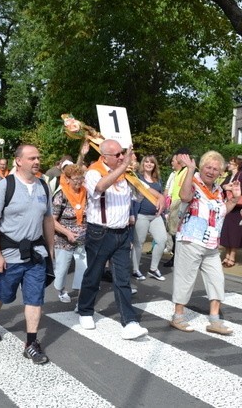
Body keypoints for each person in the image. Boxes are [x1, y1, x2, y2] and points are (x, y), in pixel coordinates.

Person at [78, 139, 164, 340]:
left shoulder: (127, 175)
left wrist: (158, 196)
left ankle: (130, 321)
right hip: (100, 232)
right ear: (104, 156)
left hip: (122, 232)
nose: (121, 157)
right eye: (117, 155)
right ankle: (85, 310)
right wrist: (123, 166)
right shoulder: (94, 171)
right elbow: (99, 187)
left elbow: (144, 189)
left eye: (122, 154)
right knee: (94, 274)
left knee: (123, 278)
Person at [0, 144, 54, 364]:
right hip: (9, 253)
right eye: (32, 158)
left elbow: (48, 219)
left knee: (34, 298)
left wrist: (50, 250)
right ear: (19, 161)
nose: (37, 161)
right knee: (1, 295)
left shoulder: (43, 186)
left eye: (38, 157)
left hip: (35, 254)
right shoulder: (6, 186)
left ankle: (31, 343)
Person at [170, 151, 241, 335]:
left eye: (215, 169)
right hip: (190, 239)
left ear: (220, 173)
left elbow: (221, 212)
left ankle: (214, 320)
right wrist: (189, 170)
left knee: (217, 280)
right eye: (208, 167)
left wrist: (234, 199)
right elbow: (185, 196)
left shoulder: (218, 190)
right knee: (185, 279)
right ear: (201, 167)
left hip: (211, 244)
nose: (211, 171)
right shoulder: (192, 182)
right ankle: (178, 316)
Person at [52, 164, 88, 303]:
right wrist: (67, 233)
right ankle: (60, 289)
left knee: (83, 268)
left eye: (81, 178)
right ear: (67, 179)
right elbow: (52, 221)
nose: (79, 182)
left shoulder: (86, 192)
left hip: (82, 238)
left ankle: (81, 295)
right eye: (75, 179)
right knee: (62, 268)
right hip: (63, 240)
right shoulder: (61, 195)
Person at [131, 155, 167, 281]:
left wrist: (164, 211)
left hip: (156, 215)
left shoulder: (157, 179)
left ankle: (153, 269)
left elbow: (161, 196)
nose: (149, 164)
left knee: (162, 240)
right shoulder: (137, 177)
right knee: (138, 243)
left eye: (151, 162)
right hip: (141, 215)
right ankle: (135, 270)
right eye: (146, 162)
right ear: (143, 164)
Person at [220, 156, 242, 267]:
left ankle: (232, 256)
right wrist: (225, 186)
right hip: (229, 207)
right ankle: (227, 255)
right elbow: (221, 187)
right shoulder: (229, 176)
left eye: (231, 163)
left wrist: (231, 188)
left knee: (235, 234)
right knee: (227, 233)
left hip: (237, 209)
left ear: (237, 165)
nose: (228, 165)